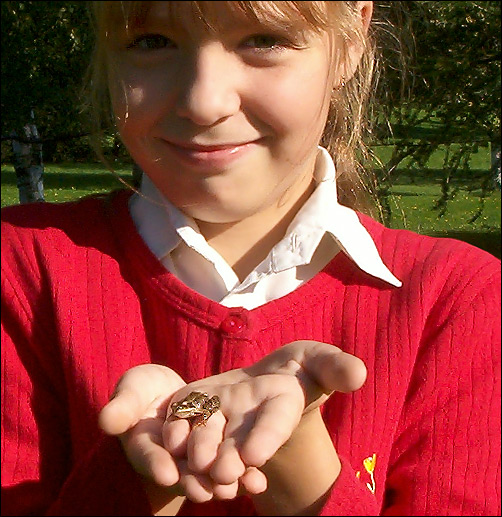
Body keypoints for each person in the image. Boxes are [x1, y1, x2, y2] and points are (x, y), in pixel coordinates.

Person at [1, 1, 500, 516]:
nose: (204, 100)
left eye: (263, 40)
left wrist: (299, 467)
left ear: (350, 40)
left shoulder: (460, 302)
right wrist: (140, 482)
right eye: (151, 41)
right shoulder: (19, 271)